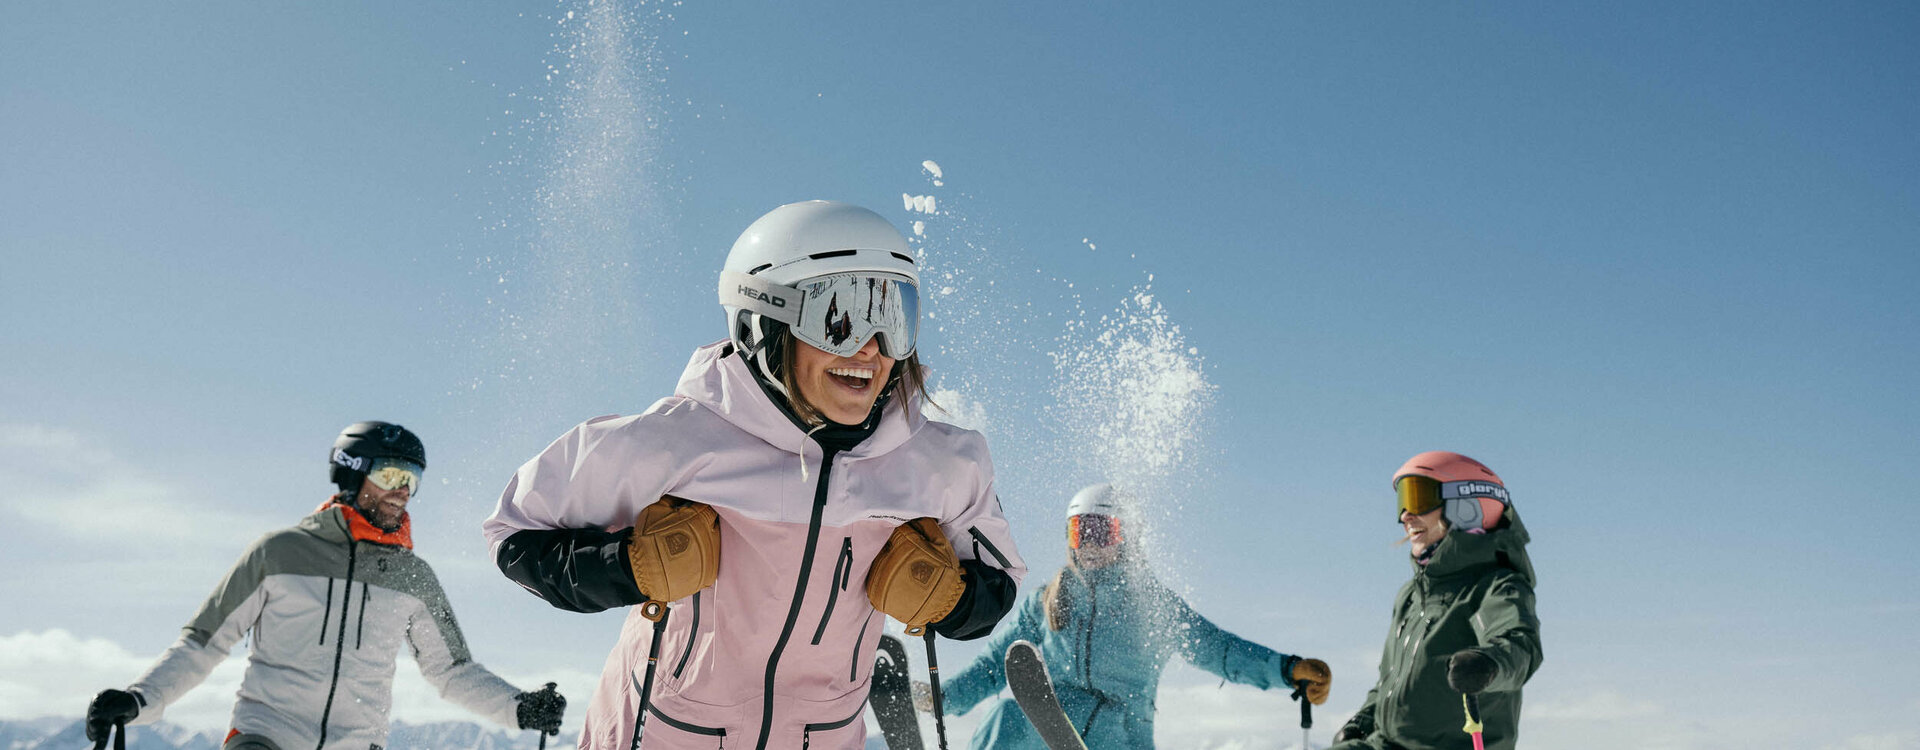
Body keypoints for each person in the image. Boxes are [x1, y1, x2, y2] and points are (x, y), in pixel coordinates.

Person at [483, 201, 1028, 750]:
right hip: (664, 733)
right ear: (765, 320)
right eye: (839, 317)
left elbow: (998, 583)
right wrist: (628, 567)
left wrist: (950, 599)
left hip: (823, 737)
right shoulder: (672, 442)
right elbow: (513, 532)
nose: (871, 348)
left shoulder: (943, 466)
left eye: (894, 318)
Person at [83, 421, 567, 750]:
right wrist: (139, 700)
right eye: (390, 474)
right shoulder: (278, 554)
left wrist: (520, 708)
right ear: (352, 474)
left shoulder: (413, 578)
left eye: (412, 478)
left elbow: (451, 671)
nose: (403, 489)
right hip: (264, 739)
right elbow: (203, 644)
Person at [931, 483, 1333, 749]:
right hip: (1055, 733)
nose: (1088, 543)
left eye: (1101, 532)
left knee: (1020, 716)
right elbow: (994, 667)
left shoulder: (1150, 605)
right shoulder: (1048, 601)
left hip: (1121, 738)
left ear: (1126, 537)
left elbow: (1218, 650)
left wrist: (1286, 669)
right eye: (1078, 532)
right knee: (1007, 716)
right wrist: (940, 697)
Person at [1331, 451, 1542, 750]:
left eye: (1417, 499)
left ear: (1467, 507)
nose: (1405, 515)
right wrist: (1365, 719)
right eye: (1402, 501)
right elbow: (1390, 680)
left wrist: (1487, 664)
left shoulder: (1495, 586)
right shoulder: (1411, 595)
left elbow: (1520, 648)